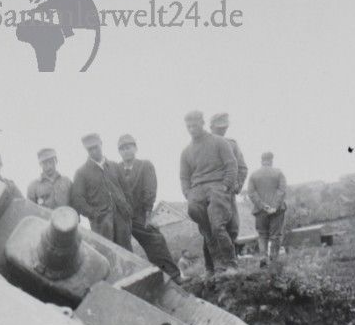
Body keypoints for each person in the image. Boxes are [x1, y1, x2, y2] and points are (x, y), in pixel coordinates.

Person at [179, 111, 239, 274]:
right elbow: (184, 176)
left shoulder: (219, 142)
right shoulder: (186, 151)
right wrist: (187, 193)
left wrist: (226, 186)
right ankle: (218, 265)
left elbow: (232, 165)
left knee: (218, 225)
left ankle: (231, 264)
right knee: (205, 228)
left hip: (217, 186)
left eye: (195, 125)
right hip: (197, 190)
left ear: (202, 123)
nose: (192, 129)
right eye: (188, 126)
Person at [116, 134, 182, 281]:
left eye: (129, 147)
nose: (126, 151)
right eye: (122, 149)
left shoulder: (145, 165)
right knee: (122, 247)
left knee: (155, 239)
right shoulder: (116, 169)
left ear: (135, 148)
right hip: (122, 215)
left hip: (140, 213)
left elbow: (150, 189)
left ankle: (172, 275)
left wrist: (147, 213)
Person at [71, 133, 133, 250]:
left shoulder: (115, 166)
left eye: (96, 147)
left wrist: (127, 209)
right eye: (90, 149)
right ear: (86, 150)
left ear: (101, 144)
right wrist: (95, 214)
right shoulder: (81, 173)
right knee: (108, 255)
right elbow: (78, 200)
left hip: (122, 221)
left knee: (127, 254)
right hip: (101, 225)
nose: (94, 151)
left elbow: (126, 190)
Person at [205, 112, 249, 272]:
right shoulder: (204, 144)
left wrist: (236, 186)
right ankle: (212, 267)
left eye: (224, 127)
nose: (222, 130)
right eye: (219, 127)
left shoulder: (232, 144)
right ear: (211, 127)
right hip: (210, 194)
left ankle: (229, 264)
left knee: (233, 228)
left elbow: (242, 168)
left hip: (228, 193)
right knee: (212, 228)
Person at [247, 152, 288, 267]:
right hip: (277, 210)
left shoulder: (253, 175)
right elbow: (282, 190)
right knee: (276, 235)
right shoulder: (279, 172)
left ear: (261, 160)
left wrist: (263, 206)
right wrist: (274, 206)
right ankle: (274, 260)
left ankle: (263, 257)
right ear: (271, 160)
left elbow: (251, 193)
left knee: (262, 235)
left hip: (260, 211)